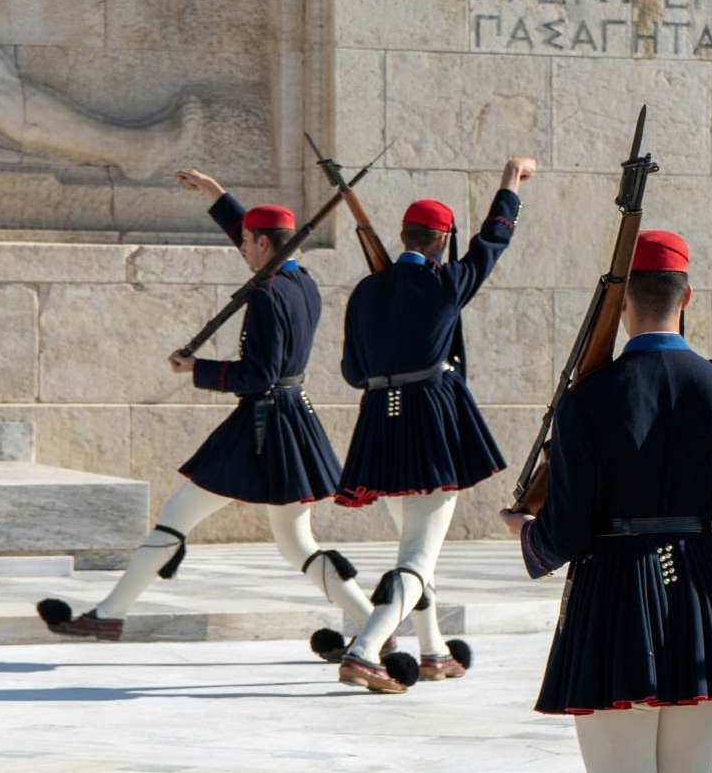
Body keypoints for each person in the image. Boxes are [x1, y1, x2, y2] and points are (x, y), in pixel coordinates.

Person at [37, 169, 369, 646]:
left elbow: (258, 375)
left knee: (176, 517)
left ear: (260, 244)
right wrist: (217, 195)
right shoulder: (302, 283)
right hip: (294, 421)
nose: (241, 251)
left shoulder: (266, 295)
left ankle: (109, 615)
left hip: (260, 427)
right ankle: (375, 624)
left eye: (247, 245)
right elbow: (257, 237)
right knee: (298, 545)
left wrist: (196, 369)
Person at [501, 230, 712, 773]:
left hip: (615, 592)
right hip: (705, 594)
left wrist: (530, 534)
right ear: (687, 297)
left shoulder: (589, 398)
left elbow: (570, 529)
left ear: (621, 302)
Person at [327, 156, 539, 693]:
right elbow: (493, 242)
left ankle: (434, 651)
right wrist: (509, 181)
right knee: (418, 554)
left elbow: (353, 371)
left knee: (415, 547)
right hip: (430, 424)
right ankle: (365, 648)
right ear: (442, 241)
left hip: (379, 422)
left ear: (403, 235)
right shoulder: (446, 285)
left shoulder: (365, 292)